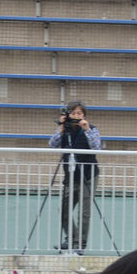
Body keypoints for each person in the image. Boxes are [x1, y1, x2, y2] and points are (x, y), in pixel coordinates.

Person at [49, 101, 101, 254]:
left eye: (79, 113)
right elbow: (52, 145)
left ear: (84, 116)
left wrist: (86, 130)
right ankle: (71, 239)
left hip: (88, 174)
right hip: (70, 176)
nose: (76, 116)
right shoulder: (65, 130)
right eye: (73, 113)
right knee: (65, 209)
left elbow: (96, 147)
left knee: (84, 212)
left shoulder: (91, 129)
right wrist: (60, 128)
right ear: (68, 115)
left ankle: (80, 243)